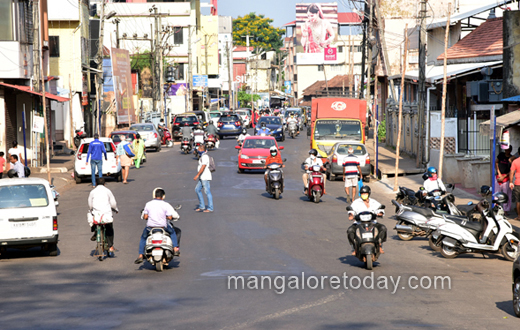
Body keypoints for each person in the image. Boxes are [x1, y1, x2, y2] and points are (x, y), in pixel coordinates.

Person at [134, 188, 180, 264]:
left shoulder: (148, 204)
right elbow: (170, 217)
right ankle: (175, 249)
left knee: (143, 238)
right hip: (163, 227)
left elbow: (145, 217)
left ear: (155, 196)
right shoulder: (165, 204)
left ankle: (140, 255)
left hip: (150, 228)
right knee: (172, 233)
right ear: (163, 196)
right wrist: (164, 216)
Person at [347, 185, 387, 255]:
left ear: (369, 194)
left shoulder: (374, 202)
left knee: (383, 228)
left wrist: (380, 213)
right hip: (359, 223)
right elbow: (351, 210)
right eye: (362, 194)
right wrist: (351, 215)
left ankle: (380, 245)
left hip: (372, 223)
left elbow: (380, 208)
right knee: (350, 231)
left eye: (365, 194)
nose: (364, 195)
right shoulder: (356, 202)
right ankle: (355, 247)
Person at [88, 177, 118, 255]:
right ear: (104, 184)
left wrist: (91, 209)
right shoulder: (108, 191)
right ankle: (111, 246)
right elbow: (113, 203)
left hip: (96, 214)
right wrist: (116, 209)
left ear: (96, 183)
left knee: (92, 218)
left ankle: (95, 231)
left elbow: (90, 204)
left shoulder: (93, 192)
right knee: (109, 228)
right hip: (106, 214)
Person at [194, 144, 213, 212]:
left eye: (198, 149)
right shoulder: (202, 156)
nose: (198, 150)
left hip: (205, 176)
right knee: (197, 189)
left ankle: (210, 207)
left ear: (201, 149)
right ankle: (202, 206)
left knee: (207, 191)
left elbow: (203, 166)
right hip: (202, 177)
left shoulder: (205, 156)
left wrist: (197, 175)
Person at [496, 146, 513, 215]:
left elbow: (512, 170)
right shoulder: (501, 155)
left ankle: (505, 209)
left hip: (506, 178)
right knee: (496, 194)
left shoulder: (511, 158)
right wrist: (499, 173)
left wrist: (504, 176)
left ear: (510, 150)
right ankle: (496, 208)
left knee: (506, 195)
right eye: (505, 150)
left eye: (508, 150)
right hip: (498, 176)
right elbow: (496, 163)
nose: (506, 151)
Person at [509, 155, 520, 220]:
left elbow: (512, 172)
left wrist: (510, 182)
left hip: (518, 183)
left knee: (518, 201)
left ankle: (519, 216)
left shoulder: (515, 161)